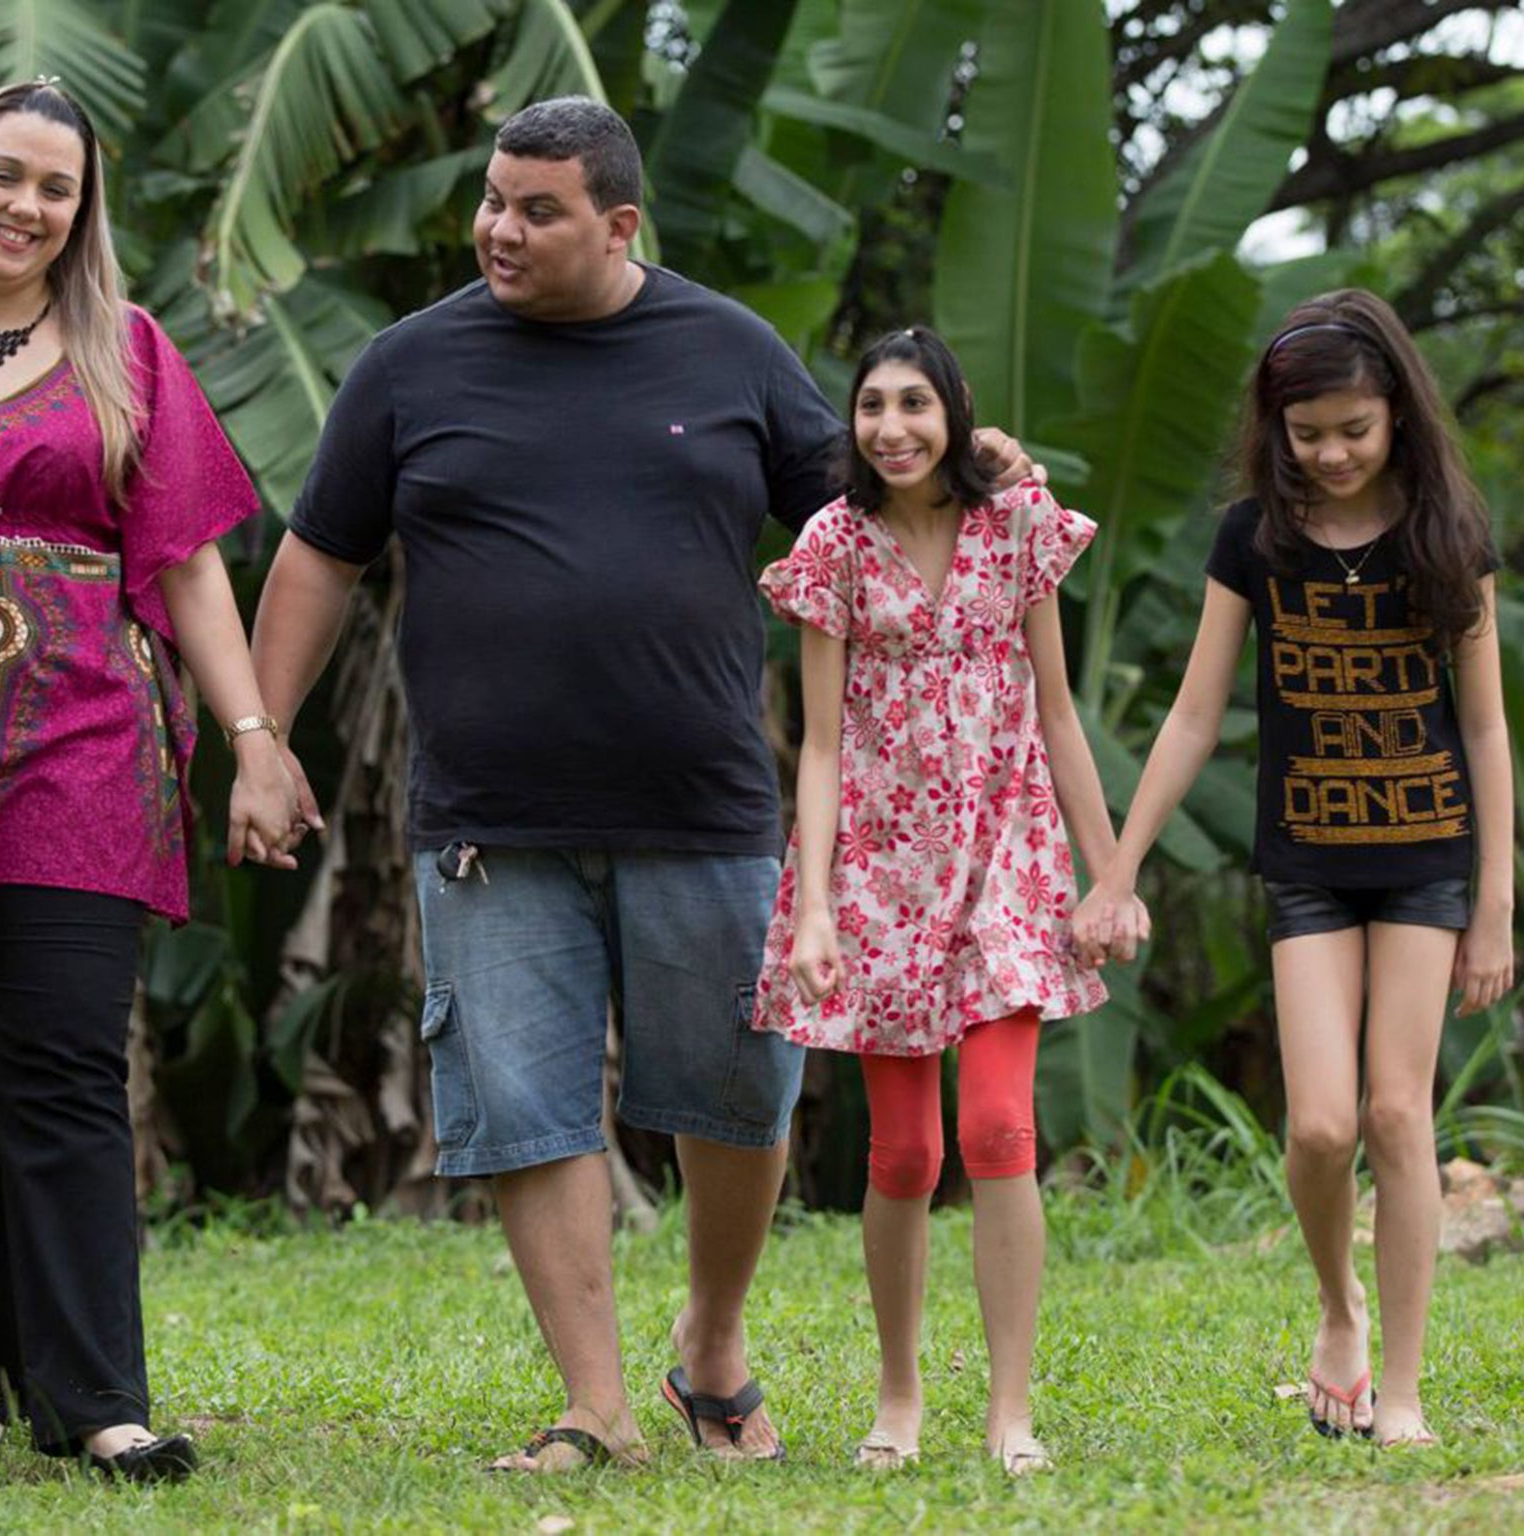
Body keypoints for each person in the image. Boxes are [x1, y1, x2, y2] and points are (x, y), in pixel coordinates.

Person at [250, 98, 1036, 1470]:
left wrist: (980, 475)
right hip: (492, 819)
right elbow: (322, 554)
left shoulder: (727, 348)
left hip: (707, 805)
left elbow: (862, 510)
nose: (498, 227)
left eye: (536, 209)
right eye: (493, 199)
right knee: (524, 1106)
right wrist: (262, 738)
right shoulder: (408, 365)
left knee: (739, 1095)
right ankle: (594, 1405)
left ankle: (712, 1348)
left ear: (618, 225)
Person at [0, 80, 298, 1481]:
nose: (27, 207)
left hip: (81, 739)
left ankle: (98, 1401)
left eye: (58, 190)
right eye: (4, 176)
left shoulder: (126, 350)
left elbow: (190, 560)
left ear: (84, 212)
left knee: (69, 1064)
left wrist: (254, 735)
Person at [1076, 291, 1513, 1449]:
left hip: (1423, 862)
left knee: (1394, 1114)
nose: (1326, 453)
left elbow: (1481, 731)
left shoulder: (1445, 539)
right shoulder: (1251, 540)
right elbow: (1187, 717)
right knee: (1319, 1129)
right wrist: (1114, 869)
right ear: (1272, 426)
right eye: (1303, 431)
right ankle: (1337, 1309)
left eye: (1350, 430)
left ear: (1396, 419)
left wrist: (1494, 906)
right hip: (1307, 862)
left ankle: (1404, 1393)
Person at [753, 326, 1125, 1476]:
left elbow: (1057, 715)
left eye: (915, 404)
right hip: (878, 868)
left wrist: (1107, 875)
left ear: (954, 414)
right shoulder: (832, 546)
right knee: (904, 1151)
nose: (892, 428)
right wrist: (811, 906)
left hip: (1002, 855)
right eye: (871, 406)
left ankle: (1010, 1409)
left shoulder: (1017, 527)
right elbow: (817, 748)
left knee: (998, 1128)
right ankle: (898, 1397)